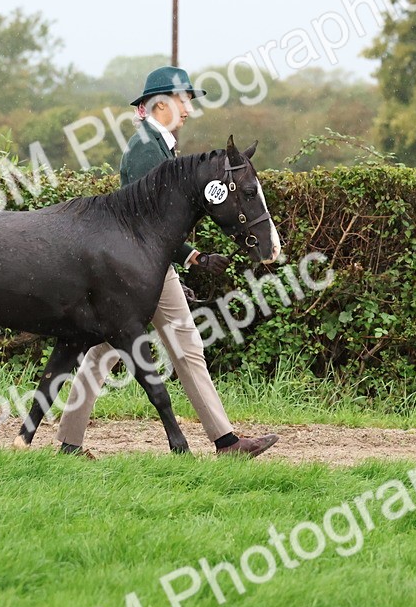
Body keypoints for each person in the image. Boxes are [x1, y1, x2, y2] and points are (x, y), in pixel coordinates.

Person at [55, 66, 279, 458]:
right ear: (161, 103)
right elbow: (148, 218)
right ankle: (226, 442)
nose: (189, 109)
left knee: (110, 351)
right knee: (178, 349)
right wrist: (189, 256)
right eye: (184, 100)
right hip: (141, 268)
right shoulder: (145, 148)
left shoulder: (157, 144)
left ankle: (70, 443)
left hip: (143, 266)